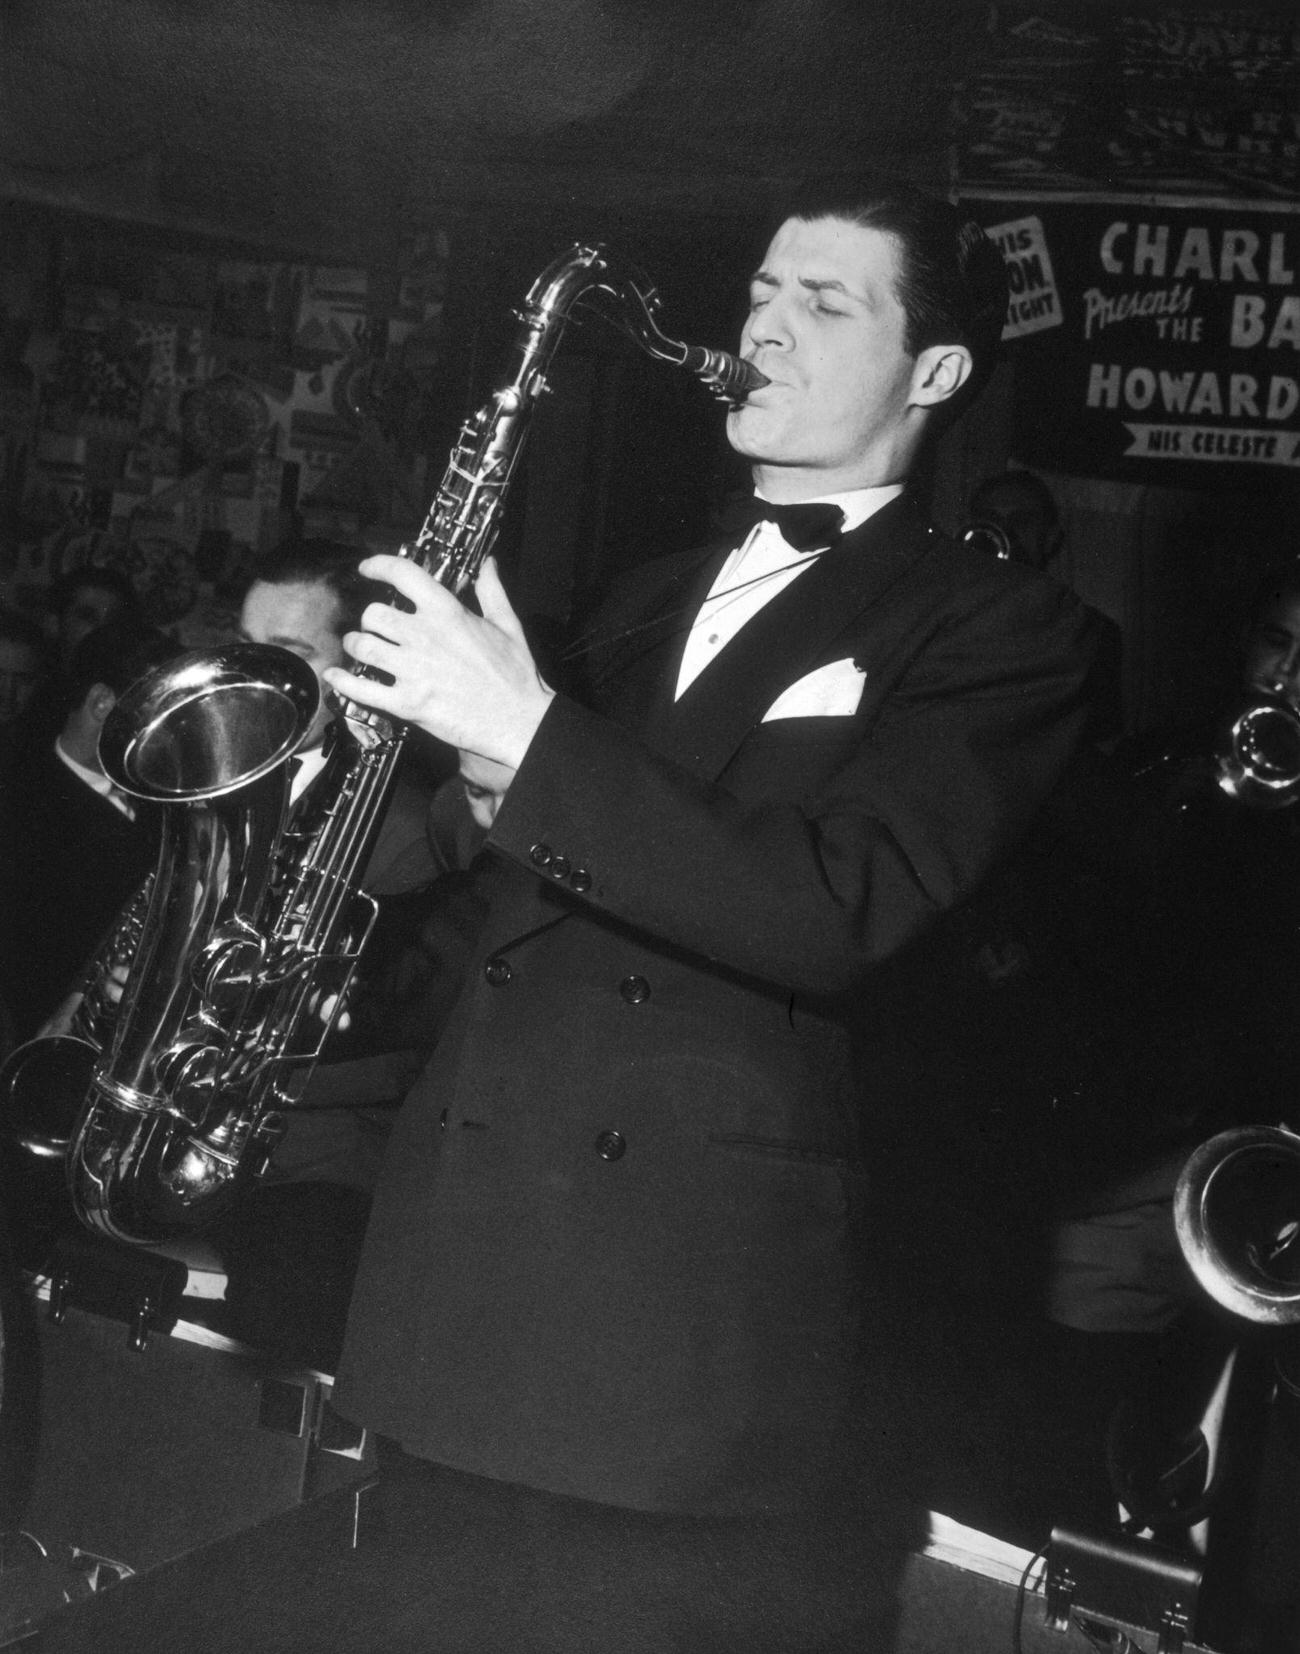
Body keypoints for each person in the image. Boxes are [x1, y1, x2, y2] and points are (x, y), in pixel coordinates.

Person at [258, 175, 1099, 1653]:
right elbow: (481, 858)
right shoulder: (641, 593)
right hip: (457, 1298)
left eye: (823, 303)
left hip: (682, 1346)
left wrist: (524, 733)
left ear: (936, 373)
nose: (763, 329)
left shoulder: (1006, 628)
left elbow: (840, 902)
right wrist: (346, 770)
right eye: (762, 293)